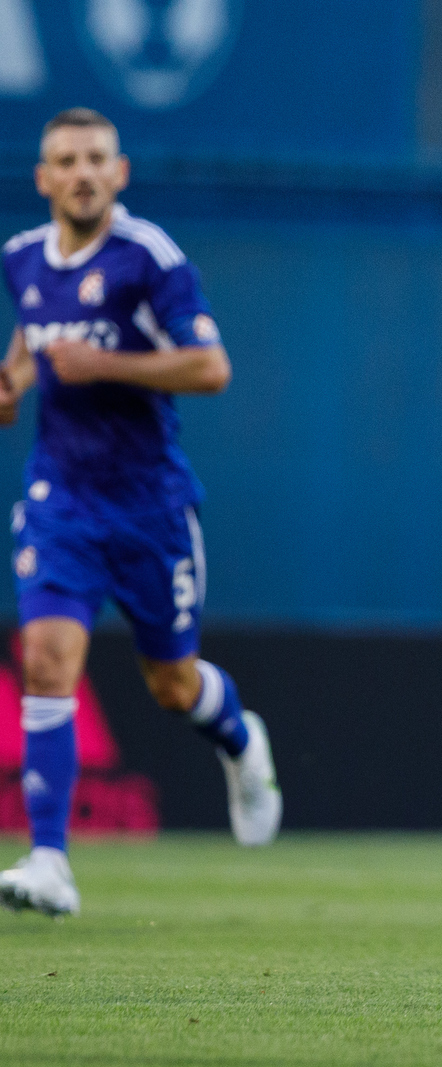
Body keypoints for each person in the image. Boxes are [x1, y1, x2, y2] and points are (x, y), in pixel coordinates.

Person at [0, 109, 281, 918]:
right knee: (48, 660)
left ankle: (239, 737)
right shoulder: (20, 258)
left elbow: (212, 366)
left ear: (119, 173)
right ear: (43, 178)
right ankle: (50, 858)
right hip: (61, 500)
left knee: (170, 681)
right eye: (65, 160)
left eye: (96, 158)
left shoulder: (149, 259)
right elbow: (30, 336)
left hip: (150, 505)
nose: (82, 172)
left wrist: (104, 365)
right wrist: (12, 381)